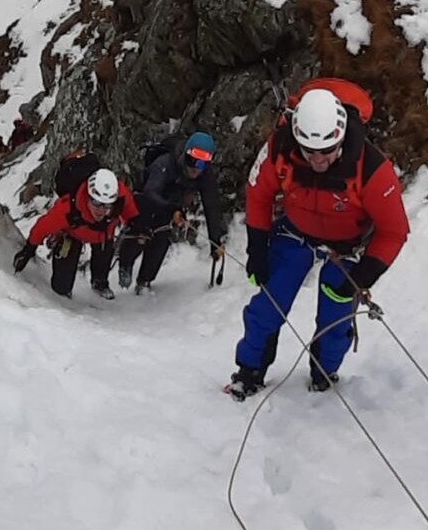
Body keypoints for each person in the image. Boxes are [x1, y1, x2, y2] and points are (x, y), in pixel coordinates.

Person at [227, 84, 409, 400]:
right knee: (267, 307)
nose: (318, 160)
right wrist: (257, 249)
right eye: (309, 152)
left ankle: (324, 373)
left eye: (327, 151)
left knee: (335, 319)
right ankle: (249, 371)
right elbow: (259, 194)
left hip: (348, 247)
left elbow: (394, 231)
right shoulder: (280, 148)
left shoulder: (373, 169)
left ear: (340, 139)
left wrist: (362, 278)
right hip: (296, 234)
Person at [117, 131, 226, 294]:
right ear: (185, 155)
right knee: (140, 234)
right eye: (193, 161)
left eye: (202, 164)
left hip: (172, 207)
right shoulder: (165, 164)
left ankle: (145, 280)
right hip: (146, 204)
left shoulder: (205, 176)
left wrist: (215, 241)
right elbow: (150, 192)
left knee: (162, 238)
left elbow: (212, 206)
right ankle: (125, 264)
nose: (196, 168)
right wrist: (173, 208)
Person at [13, 167, 138, 299]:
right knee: (61, 286)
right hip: (72, 234)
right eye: (96, 203)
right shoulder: (68, 208)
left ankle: (99, 283)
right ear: (88, 197)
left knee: (103, 256)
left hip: (103, 235)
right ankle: (63, 294)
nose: (101, 210)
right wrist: (29, 249)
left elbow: (132, 214)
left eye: (107, 205)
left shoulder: (121, 197)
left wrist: (138, 226)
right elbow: (42, 227)